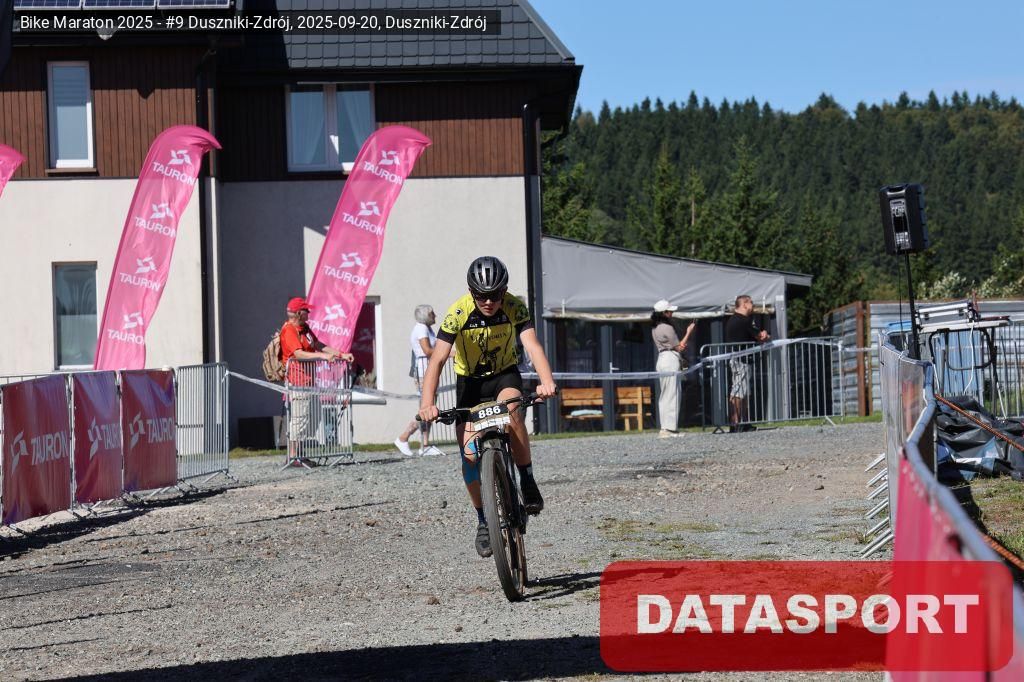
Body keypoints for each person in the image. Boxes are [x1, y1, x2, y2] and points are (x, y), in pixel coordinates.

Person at [418, 256, 557, 558]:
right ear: (472, 292)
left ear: (504, 291)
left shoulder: (514, 307)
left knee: (512, 412)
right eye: (482, 296)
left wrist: (546, 381)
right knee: (469, 455)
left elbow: (532, 346)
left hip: (504, 375)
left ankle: (527, 479)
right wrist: (427, 403)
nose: (489, 302)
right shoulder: (458, 312)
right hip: (470, 384)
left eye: (495, 295)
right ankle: (483, 520)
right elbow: (437, 360)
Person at [279, 297, 353, 463]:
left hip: (309, 382)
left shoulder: (305, 328)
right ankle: (293, 457)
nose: (309, 312)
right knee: (299, 419)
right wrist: (323, 356)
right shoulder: (289, 330)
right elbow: (298, 354)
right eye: (306, 310)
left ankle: (300, 453)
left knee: (313, 417)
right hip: (298, 382)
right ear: (299, 313)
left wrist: (341, 354)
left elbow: (318, 344)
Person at [394, 304, 445, 457]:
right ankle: (403, 437)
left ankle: (425, 444)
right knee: (426, 409)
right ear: (426, 315)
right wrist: (448, 353)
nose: (435, 315)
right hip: (424, 373)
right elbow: (427, 351)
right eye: (432, 313)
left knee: (430, 408)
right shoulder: (421, 329)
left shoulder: (427, 329)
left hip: (428, 371)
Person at [651, 300, 696, 438]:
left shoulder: (655, 328)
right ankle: (670, 429)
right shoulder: (667, 327)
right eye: (669, 311)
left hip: (662, 359)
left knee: (665, 394)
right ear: (664, 313)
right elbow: (680, 347)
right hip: (670, 359)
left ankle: (665, 427)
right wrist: (689, 332)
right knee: (673, 393)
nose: (672, 313)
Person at [725, 294, 770, 433]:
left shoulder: (734, 319)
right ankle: (736, 423)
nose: (753, 305)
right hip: (741, 361)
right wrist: (765, 334)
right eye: (751, 303)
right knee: (739, 392)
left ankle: (743, 422)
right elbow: (760, 337)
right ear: (744, 304)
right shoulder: (744, 320)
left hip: (739, 360)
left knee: (742, 392)